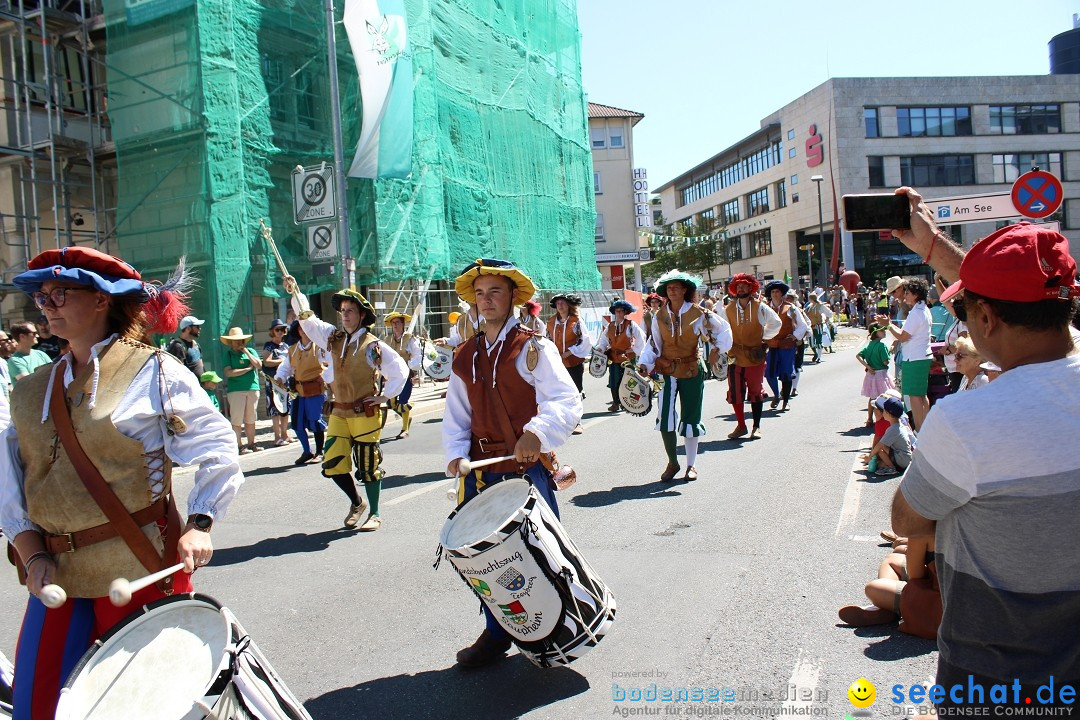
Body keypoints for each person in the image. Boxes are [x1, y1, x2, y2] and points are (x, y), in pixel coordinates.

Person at [0, 247, 242, 720]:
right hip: (57, 575)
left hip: (140, 567)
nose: (46, 304)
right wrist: (31, 552)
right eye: (42, 296)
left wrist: (201, 522)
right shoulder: (29, 390)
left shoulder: (154, 371)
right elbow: (11, 482)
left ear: (101, 300)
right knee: (38, 707)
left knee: (148, 707)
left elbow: (216, 447)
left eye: (60, 293)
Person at [889, 211, 1080, 707]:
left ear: (986, 320)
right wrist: (934, 249)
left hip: (994, 669)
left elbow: (907, 518)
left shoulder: (966, 419)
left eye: (966, 313)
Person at [442, 258, 582, 668]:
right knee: (486, 561)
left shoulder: (533, 346)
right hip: (480, 473)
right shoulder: (465, 354)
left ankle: (564, 625)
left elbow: (565, 400)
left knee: (540, 555)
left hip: (525, 470)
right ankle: (496, 633)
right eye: (480, 293)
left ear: (512, 297)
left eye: (495, 292)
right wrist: (455, 454)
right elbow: (457, 413)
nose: (486, 301)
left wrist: (536, 432)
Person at [283, 275, 409, 531]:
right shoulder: (332, 337)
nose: (345, 315)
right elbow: (309, 323)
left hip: (365, 413)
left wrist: (384, 396)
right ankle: (357, 502)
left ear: (362, 315)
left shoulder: (374, 346)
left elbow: (400, 370)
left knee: (367, 466)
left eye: (350, 311)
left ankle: (374, 512)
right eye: (342, 311)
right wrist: (295, 292)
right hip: (339, 412)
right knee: (332, 463)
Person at [640, 270, 732, 480]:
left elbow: (723, 330)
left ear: (684, 290)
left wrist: (717, 349)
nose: (672, 290)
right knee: (665, 417)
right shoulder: (659, 315)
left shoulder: (700, 313)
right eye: (669, 288)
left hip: (692, 369)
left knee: (691, 418)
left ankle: (691, 465)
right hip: (666, 370)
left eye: (676, 287)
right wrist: (644, 363)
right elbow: (653, 342)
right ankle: (673, 462)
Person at [723, 274, 781, 440]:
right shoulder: (727, 309)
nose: (740, 288)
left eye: (744, 286)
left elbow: (776, 323)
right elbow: (722, 329)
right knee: (735, 391)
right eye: (738, 286)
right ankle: (741, 425)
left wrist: (763, 338)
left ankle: (756, 427)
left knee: (755, 392)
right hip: (734, 355)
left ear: (750, 288)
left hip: (755, 355)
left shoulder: (760, 307)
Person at [838, 535, 936, 627]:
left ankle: (887, 605)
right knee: (893, 557)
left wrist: (916, 545)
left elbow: (917, 580)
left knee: (873, 589)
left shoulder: (924, 530)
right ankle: (888, 604)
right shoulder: (946, 525)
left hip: (941, 607)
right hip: (943, 588)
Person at [876, 278, 932, 431]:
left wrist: (888, 325)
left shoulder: (916, 313)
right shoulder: (922, 309)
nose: (904, 295)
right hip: (920, 356)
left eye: (907, 292)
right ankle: (925, 428)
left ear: (915, 294)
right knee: (921, 395)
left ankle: (920, 431)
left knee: (915, 396)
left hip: (914, 357)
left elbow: (903, 336)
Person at [275, 320, 330, 466]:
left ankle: (319, 452)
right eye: (301, 328)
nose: (304, 331)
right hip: (298, 391)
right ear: (298, 331)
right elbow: (285, 367)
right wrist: (280, 377)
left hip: (315, 390)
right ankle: (307, 451)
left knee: (315, 421)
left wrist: (327, 379)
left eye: (307, 328)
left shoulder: (318, 347)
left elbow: (331, 364)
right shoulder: (292, 349)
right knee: (297, 423)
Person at [546, 293, 591, 434]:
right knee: (559, 393)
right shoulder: (551, 322)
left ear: (569, 305)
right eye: (558, 303)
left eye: (563, 303)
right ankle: (562, 421)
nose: (560, 305)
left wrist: (570, 352)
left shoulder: (576, 321)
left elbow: (585, 340)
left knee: (575, 392)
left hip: (573, 362)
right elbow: (547, 340)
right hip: (557, 364)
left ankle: (577, 422)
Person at [763, 280, 807, 411]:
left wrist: (795, 336)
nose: (775, 294)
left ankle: (785, 401)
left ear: (782, 293)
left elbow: (803, 325)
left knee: (786, 374)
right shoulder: (764, 308)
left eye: (777, 291)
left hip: (787, 346)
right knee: (769, 373)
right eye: (773, 291)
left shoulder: (791, 308)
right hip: (771, 345)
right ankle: (776, 395)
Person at [594, 299, 645, 412]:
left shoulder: (631, 325)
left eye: (621, 311)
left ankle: (628, 402)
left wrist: (634, 349)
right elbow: (604, 340)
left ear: (625, 312)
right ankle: (616, 403)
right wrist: (600, 349)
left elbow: (642, 338)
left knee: (628, 381)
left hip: (627, 358)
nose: (619, 313)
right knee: (613, 381)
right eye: (617, 311)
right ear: (614, 312)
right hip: (613, 357)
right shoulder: (610, 326)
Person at [221, 327, 262, 454]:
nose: (239, 342)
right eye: (236, 340)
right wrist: (247, 370)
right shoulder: (228, 354)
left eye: (240, 340)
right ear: (231, 342)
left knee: (251, 418)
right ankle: (239, 445)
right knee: (237, 419)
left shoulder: (250, 351)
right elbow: (228, 372)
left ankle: (251, 443)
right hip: (236, 390)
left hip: (252, 388)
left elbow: (259, 365)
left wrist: (246, 352)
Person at [383, 311, 421, 439]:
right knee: (390, 403)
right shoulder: (387, 340)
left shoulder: (410, 339)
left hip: (406, 375)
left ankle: (404, 429)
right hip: (392, 376)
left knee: (403, 402)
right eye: (393, 323)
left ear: (403, 324)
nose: (395, 325)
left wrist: (410, 368)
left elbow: (417, 355)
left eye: (397, 322)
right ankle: (407, 416)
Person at [861, 396, 914, 476]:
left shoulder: (893, 429)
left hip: (902, 459)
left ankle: (891, 467)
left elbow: (879, 445)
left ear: (889, 414)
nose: (882, 413)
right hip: (905, 457)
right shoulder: (899, 425)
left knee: (879, 449)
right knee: (880, 462)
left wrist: (870, 456)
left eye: (884, 411)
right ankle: (888, 464)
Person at [856, 324, 894, 424]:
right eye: (882, 330)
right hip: (881, 374)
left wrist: (868, 367)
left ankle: (869, 419)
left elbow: (858, 356)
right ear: (876, 333)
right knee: (885, 396)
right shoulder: (882, 346)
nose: (884, 332)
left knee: (872, 397)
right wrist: (889, 353)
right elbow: (885, 362)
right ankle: (884, 419)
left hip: (871, 374)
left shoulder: (869, 345)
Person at [262, 318, 292, 446]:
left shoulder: (286, 346)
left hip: (285, 382)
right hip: (273, 381)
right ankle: (277, 437)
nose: (280, 332)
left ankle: (285, 434)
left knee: (285, 408)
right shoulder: (269, 345)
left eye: (283, 329)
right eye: (277, 329)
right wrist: (283, 361)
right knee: (275, 409)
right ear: (272, 332)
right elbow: (266, 362)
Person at [787, 289, 812, 398]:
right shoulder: (781, 310)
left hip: (797, 342)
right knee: (785, 366)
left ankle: (794, 388)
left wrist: (799, 335)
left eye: (790, 298)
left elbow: (807, 324)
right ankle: (785, 387)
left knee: (796, 365)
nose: (788, 300)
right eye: (787, 298)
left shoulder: (799, 311)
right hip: (785, 341)